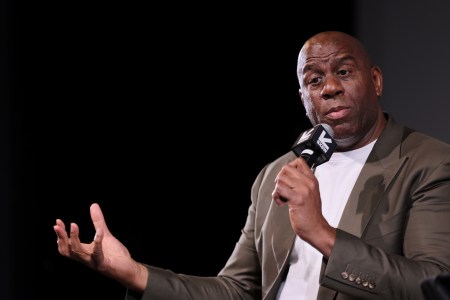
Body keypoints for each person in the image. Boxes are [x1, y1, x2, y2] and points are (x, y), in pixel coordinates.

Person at [53, 31, 450, 300]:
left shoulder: (429, 163)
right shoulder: (278, 176)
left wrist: (322, 234)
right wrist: (134, 273)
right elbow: (236, 291)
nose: (329, 87)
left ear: (376, 80)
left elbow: (432, 285)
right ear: (303, 97)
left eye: (344, 72)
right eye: (314, 80)